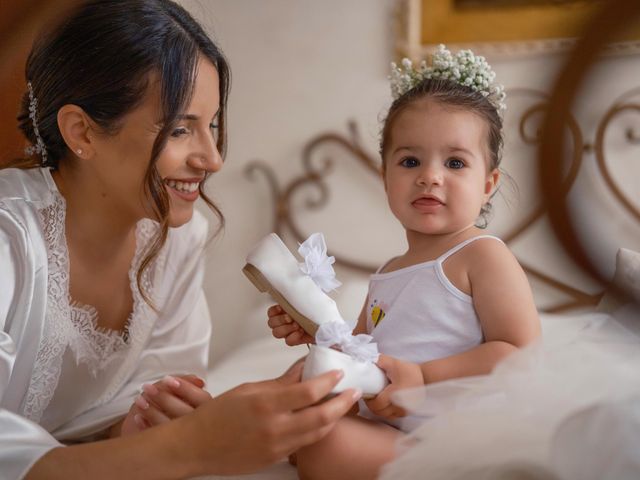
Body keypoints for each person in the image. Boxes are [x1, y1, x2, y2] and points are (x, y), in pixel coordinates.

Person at [0, 1, 361, 478]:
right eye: (179, 129)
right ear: (82, 132)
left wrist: (148, 425)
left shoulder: (179, 238)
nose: (212, 159)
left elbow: (130, 405)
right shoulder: (10, 240)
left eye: (210, 127)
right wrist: (188, 448)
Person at [267, 45, 541, 479]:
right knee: (297, 390)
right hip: (397, 428)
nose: (430, 176)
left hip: (459, 437)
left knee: (322, 445)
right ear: (386, 176)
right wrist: (315, 331)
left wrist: (423, 375)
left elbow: (519, 351)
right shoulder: (387, 274)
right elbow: (358, 357)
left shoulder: (482, 255)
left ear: (488, 184)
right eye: (410, 160)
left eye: (455, 162)